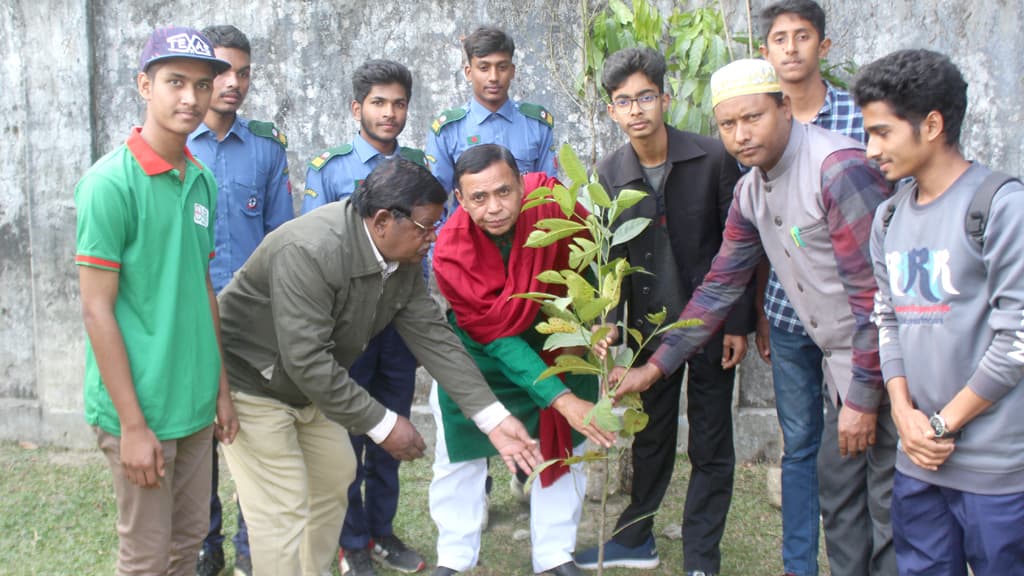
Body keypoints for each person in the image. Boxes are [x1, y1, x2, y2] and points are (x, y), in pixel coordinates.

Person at [609, 58, 897, 576]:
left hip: (887, 370)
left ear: (784, 107)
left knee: (891, 508)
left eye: (753, 118)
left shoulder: (838, 169)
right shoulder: (751, 191)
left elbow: (878, 300)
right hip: (841, 365)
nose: (740, 136)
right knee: (844, 499)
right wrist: (654, 369)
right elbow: (719, 286)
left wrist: (862, 396)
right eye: (727, 125)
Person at [216, 157, 542, 576]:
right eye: (427, 226)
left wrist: (493, 418)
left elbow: (432, 334)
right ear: (385, 219)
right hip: (253, 383)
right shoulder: (311, 249)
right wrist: (385, 424)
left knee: (334, 478)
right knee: (282, 510)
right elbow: (306, 358)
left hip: (311, 389)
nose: (434, 237)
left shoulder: (401, 254)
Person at [571, 47, 751, 576]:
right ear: (611, 110)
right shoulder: (607, 173)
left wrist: (737, 323)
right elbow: (609, 261)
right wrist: (606, 322)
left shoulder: (713, 157)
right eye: (623, 101)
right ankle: (635, 537)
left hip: (710, 325)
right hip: (650, 331)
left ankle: (701, 556)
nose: (636, 110)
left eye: (645, 96)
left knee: (712, 440)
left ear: (665, 98)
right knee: (651, 437)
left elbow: (736, 250)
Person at [74, 26, 237, 576]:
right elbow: (97, 310)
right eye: (174, 82)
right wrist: (133, 427)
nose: (190, 98)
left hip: (193, 404)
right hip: (139, 410)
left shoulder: (201, 181)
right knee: (145, 557)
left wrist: (220, 392)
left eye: (201, 84)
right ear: (145, 85)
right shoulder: (109, 184)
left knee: (188, 540)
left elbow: (201, 288)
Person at [856, 48, 1024, 575]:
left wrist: (940, 425)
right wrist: (905, 417)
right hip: (918, 463)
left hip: (996, 469)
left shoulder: (1000, 205)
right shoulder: (887, 219)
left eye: (882, 132)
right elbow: (888, 321)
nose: (869, 149)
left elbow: (1017, 338)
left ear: (931, 124)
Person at [428, 144, 614, 576]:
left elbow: (592, 264)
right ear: (460, 198)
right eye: (479, 198)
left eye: (504, 192)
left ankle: (554, 554)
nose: (494, 208)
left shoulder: (552, 205)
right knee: (459, 454)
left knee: (566, 446)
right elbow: (498, 338)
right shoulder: (450, 250)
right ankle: (454, 557)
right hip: (483, 358)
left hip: (559, 343)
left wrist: (599, 322)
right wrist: (562, 397)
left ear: (522, 183)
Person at [754, 2, 867, 574]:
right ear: (765, 52)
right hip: (787, 313)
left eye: (803, 36)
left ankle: (858, 557)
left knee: (857, 444)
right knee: (799, 443)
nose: (792, 48)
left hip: (855, 322)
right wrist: (759, 314)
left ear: (823, 46)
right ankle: (799, 563)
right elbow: (752, 232)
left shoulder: (857, 118)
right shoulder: (758, 118)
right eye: (780, 38)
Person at [302, 59, 427, 576]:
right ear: (357, 108)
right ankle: (350, 541)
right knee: (349, 435)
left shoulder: (420, 166)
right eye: (378, 102)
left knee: (394, 429)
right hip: (349, 327)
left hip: (399, 323)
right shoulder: (329, 168)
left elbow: (427, 237)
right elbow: (310, 246)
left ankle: (383, 532)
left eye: (399, 103)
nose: (389, 113)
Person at [187, 24, 293, 576]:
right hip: (192, 316)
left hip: (254, 319)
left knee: (256, 433)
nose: (234, 83)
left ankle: (253, 544)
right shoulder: (176, 147)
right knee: (200, 433)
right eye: (223, 70)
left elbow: (282, 240)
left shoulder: (266, 150)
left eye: (243, 72)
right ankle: (207, 544)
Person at [425, 26, 557, 197]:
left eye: (502, 67)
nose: (494, 77)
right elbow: (435, 202)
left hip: (528, 222)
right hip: (471, 223)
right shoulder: (448, 131)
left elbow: (549, 191)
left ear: (512, 71)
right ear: (469, 72)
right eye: (484, 68)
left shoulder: (536, 125)